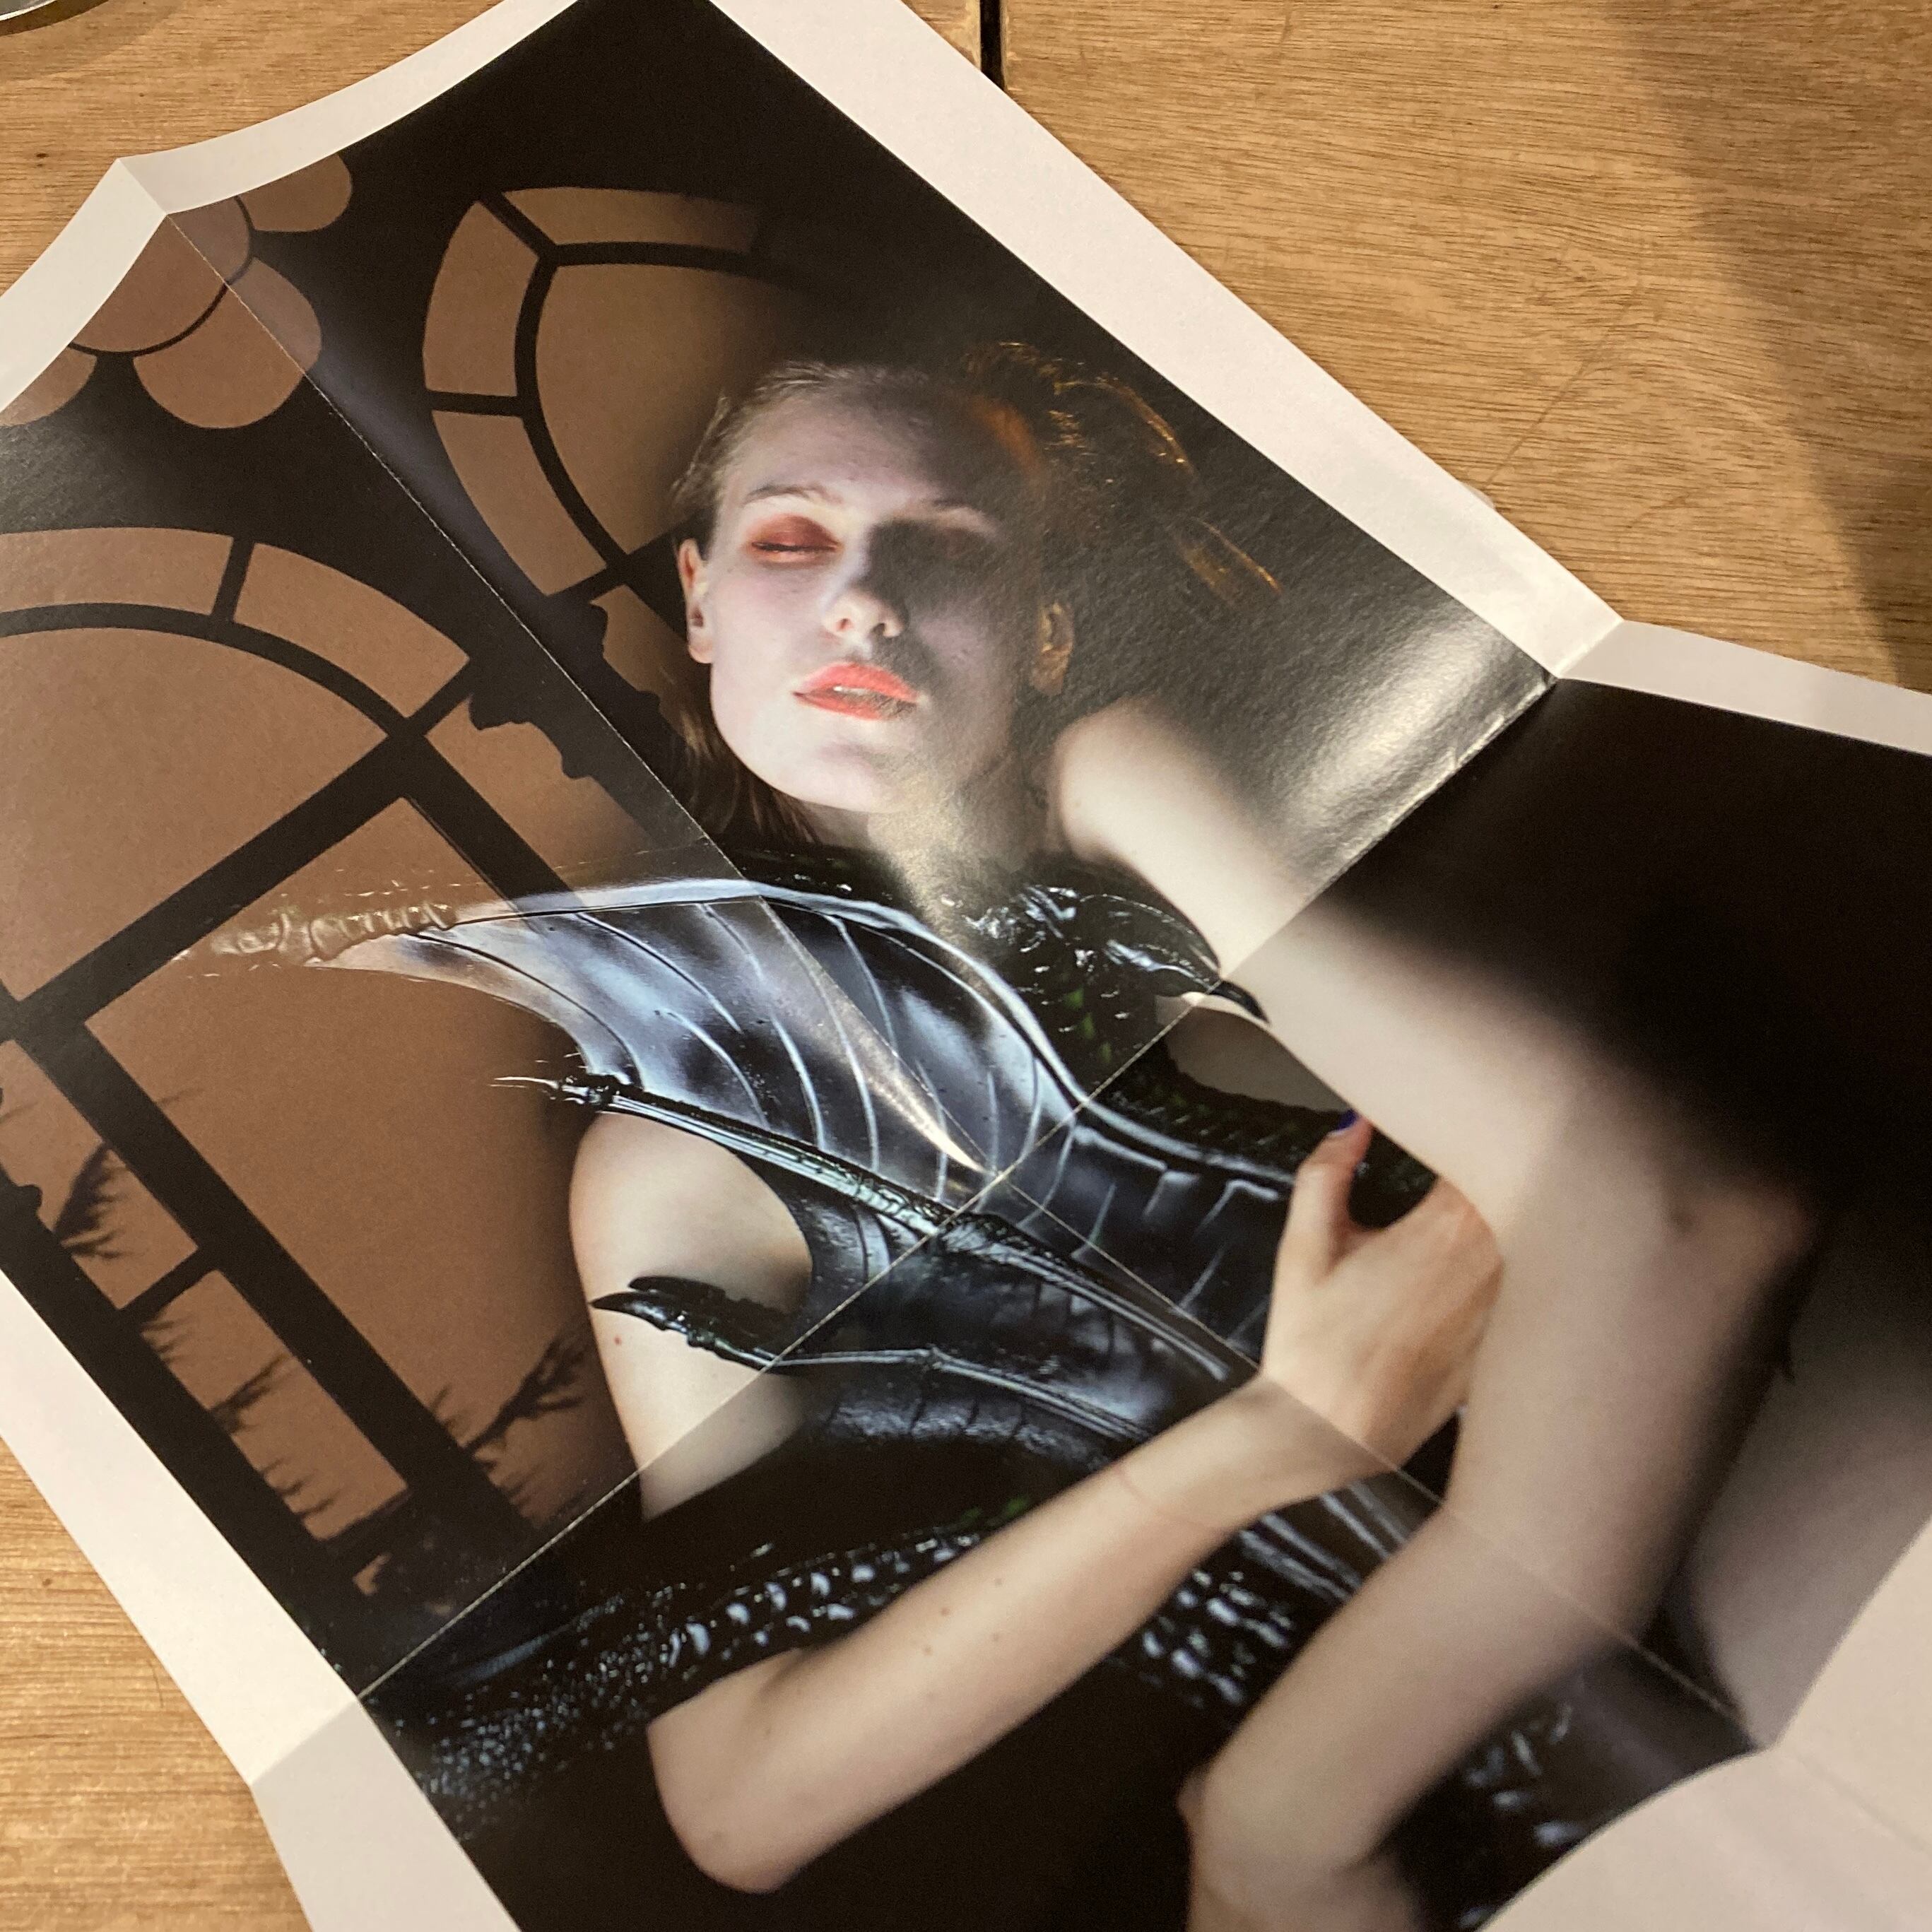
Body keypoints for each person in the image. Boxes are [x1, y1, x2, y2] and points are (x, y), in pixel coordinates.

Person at [355, 348, 1803, 1931]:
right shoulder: (676, 1153)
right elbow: (740, 1797)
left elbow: (1684, 1214)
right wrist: (1268, 1437)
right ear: (698, 601)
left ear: (1045, 626)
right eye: (791, 539)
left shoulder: (1120, 783)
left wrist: (1285, 1817)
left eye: (946, 549)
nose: (863, 602)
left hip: (1631, 1682)